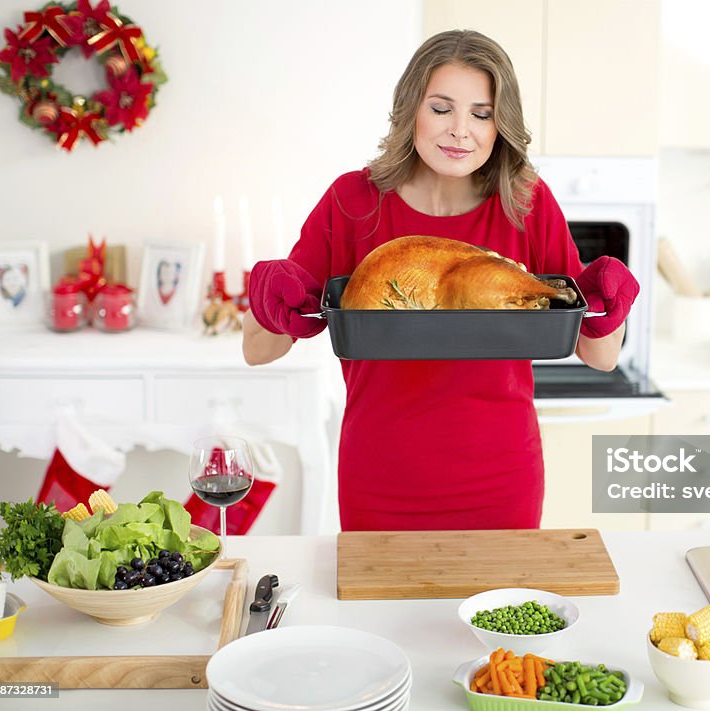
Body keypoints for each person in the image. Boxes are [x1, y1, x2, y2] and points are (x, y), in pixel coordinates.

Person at [242, 30, 639, 531]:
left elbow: (600, 357)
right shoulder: (353, 202)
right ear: (411, 108)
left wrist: (610, 306)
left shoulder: (526, 205)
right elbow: (258, 350)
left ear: (501, 125)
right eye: (441, 108)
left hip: (501, 478)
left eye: (481, 113)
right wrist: (271, 301)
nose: (460, 131)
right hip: (379, 477)